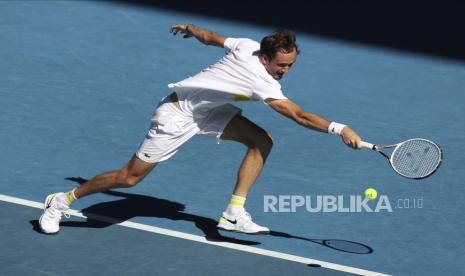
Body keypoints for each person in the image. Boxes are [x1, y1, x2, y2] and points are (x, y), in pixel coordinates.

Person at [39, 24, 362, 235]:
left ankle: (234, 212)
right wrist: (339, 128)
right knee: (130, 177)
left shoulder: (248, 45)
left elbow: (213, 38)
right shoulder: (261, 79)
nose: (286, 71)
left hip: (208, 111)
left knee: (262, 141)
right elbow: (300, 116)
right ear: (264, 58)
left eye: (291, 65)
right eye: (281, 65)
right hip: (176, 115)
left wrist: (191, 29)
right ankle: (62, 200)